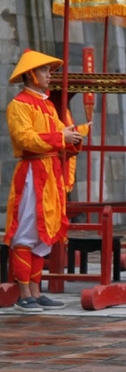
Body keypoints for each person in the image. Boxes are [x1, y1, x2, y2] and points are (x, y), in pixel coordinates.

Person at [3, 50, 86, 312]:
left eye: (50, 71)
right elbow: (25, 139)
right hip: (32, 172)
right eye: (45, 71)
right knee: (27, 229)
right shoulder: (19, 105)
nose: (50, 75)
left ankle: (37, 292)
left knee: (44, 234)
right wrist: (61, 137)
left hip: (51, 172)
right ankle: (23, 292)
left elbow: (59, 134)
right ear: (31, 74)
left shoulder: (48, 105)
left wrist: (72, 136)